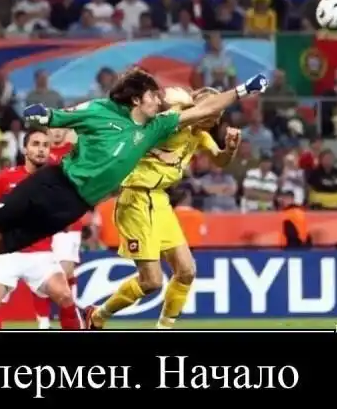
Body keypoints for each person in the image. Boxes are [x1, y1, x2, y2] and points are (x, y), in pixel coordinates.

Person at [0, 68, 269, 285]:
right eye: (153, 95)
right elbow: (58, 118)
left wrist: (243, 90)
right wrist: (42, 115)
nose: (160, 99)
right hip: (53, 183)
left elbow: (203, 110)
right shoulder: (101, 112)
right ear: (137, 99)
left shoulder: (157, 127)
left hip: (73, 206)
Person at [85, 87, 241, 330]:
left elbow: (219, 160)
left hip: (160, 201)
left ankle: (164, 328)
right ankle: (97, 315)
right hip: (135, 198)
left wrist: (230, 149)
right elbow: (162, 102)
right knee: (151, 282)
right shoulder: (171, 123)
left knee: (187, 271)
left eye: (218, 114)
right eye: (211, 111)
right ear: (195, 108)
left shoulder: (200, 135)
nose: (214, 118)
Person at [0, 127, 82, 330]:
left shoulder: (58, 181)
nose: (41, 149)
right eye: (35, 144)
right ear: (25, 149)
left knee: (65, 296)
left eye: (45, 145)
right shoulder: (5, 178)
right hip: (8, 252)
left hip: (41, 254)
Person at [31, 127, 84, 329]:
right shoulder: (39, 152)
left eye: (62, 128)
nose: (57, 132)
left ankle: (70, 320)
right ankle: (43, 323)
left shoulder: (75, 150)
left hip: (69, 222)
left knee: (66, 271)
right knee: (40, 272)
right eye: (53, 128)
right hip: (42, 221)